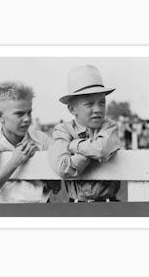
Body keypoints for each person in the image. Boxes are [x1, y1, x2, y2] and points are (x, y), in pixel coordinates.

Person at [48, 65, 121, 202]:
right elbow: (63, 168)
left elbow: (102, 149)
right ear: (72, 109)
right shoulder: (63, 130)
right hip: (76, 205)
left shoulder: (109, 126)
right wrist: (90, 151)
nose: (98, 109)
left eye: (102, 103)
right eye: (89, 104)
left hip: (109, 204)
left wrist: (76, 145)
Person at [0, 81, 53, 203]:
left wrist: (39, 160)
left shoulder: (41, 138)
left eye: (29, 112)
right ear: (0, 116)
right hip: (10, 210)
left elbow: (56, 186)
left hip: (43, 208)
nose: (27, 119)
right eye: (19, 114)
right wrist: (15, 161)